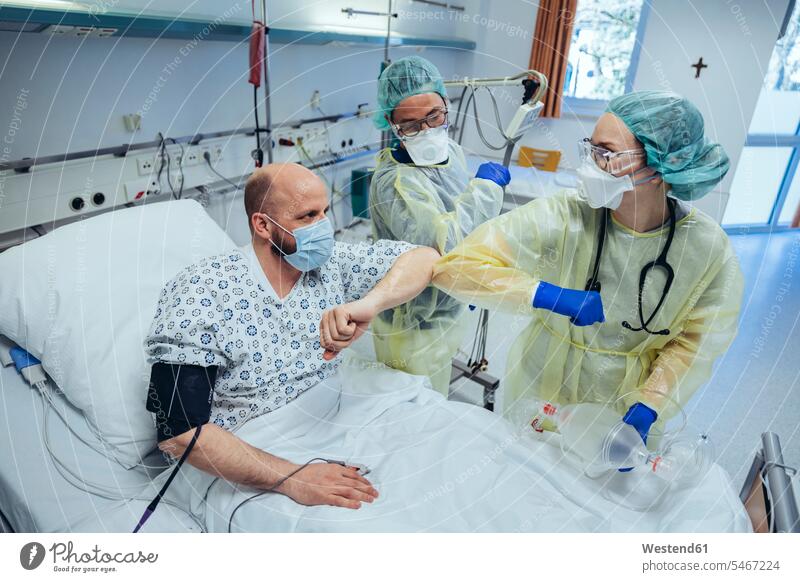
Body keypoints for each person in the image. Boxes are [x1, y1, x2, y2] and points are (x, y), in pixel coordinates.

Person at [432, 90, 744, 443]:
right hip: (542, 387)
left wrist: (651, 403)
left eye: (606, 154)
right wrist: (545, 295)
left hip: (622, 407)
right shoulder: (566, 215)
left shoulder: (706, 249)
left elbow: (694, 342)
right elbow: (454, 267)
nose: (590, 165)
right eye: (590, 148)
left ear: (660, 168)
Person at [143, 162, 440, 510]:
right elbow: (179, 434)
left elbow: (425, 258)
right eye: (307, 216)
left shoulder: (330, 264)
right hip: (250, 446)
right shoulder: (201, 293)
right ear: (263, 225)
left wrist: (370, 304)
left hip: (335, 411)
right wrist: (292, 478)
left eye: (325, 212)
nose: (324, 227)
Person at [368, 55, 508, 396]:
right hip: (413, 322)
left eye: (435, 116)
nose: (428, 131)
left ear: (446, 102)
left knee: (435, 392)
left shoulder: (453, 153)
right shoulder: (395, 184)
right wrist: (486, 190)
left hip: (445, 305)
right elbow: (441, 242)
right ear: (391, 122)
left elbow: (463, 220)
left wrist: (469, 275)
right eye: (412, 125)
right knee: (411, 410)